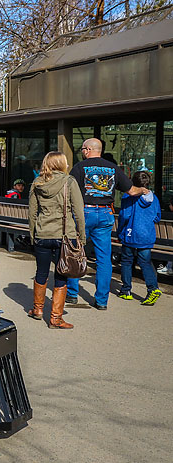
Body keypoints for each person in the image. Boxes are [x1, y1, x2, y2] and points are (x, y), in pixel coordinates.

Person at [66, 138, 149, 310]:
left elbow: (68, 191)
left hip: (84, 213)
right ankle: (101, 300)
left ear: (88, 149)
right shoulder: (113, 168)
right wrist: (143, 189)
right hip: (105, 213)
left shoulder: (79, 167)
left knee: (76, 251)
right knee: (104, 258)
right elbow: (131, 190)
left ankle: (72, 294)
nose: (82, 152)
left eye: (83, 149)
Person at [27, 151, 86, 329]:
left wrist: (33, 235)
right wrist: (81, 236)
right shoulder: (69, 182)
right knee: (62, 273)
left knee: (41, 272)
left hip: (43, 233)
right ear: (61, 163)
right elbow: (78, 212)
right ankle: (55, 318)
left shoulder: (37, 183)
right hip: (65, 235)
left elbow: (32, 213)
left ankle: (38, 309)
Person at [118, 171, 162, 305]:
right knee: (145, 262)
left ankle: (126, 290)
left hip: (130, 233)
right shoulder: (154, 198)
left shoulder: (128, 197)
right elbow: (157, 217)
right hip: (146, 235)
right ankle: (153, 288)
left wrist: (120, 232)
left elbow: (124, 216)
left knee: (126, 261)